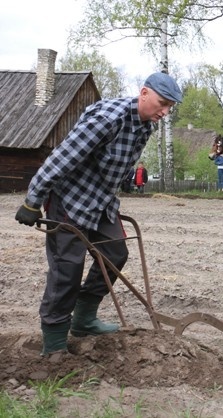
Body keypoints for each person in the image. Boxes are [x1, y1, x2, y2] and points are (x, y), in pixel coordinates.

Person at [14, 72, 183, 358]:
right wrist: (33, 199)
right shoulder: (108, 118)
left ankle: (83, 319)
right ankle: (54, 343)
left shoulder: (144, 126)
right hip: (70, 201)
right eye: (162, 103)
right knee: (67, 270)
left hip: (101, 202)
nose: (165, 112)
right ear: (144, 93)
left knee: (116, 254)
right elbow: (62, 157)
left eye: (170, 107)